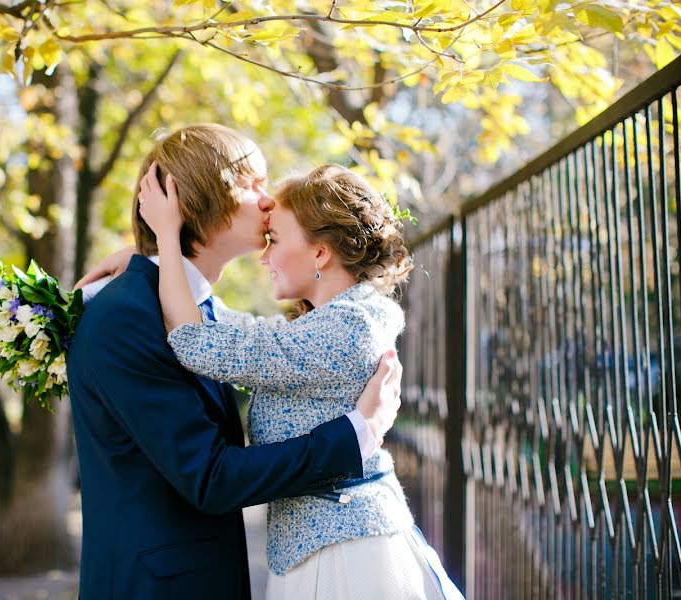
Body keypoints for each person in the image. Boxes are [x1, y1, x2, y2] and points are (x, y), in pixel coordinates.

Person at [66, 124, 402, 600]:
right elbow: (209, 476)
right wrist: (358, 432)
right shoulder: (125, 317)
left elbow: (224, 339)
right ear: (190, 202)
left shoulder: (192, 309)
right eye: (250, 184)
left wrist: (152, 253)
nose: (268, 202)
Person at [137, 161, 464, 600]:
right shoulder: (334, 321)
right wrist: (152, 263)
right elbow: (234, 327)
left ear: (320, 253)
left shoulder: (347, 330)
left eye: (274, 239)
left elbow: (197, 342)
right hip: (322, 545)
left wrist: (167, 237)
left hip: (344, 558)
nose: (264, 255)